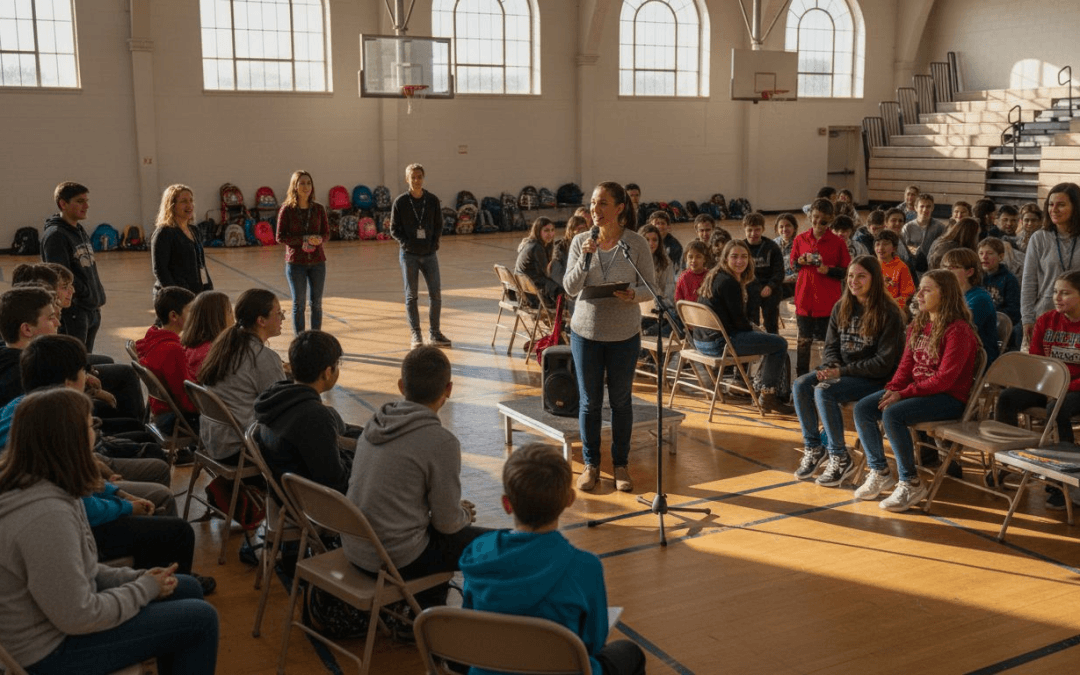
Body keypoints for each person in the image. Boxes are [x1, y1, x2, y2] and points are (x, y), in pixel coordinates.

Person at [0, 388, 219, 675]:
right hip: (48, 652)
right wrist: (143, 589)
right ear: (70, 440)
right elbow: (78, 615)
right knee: (201, 620)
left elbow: (83, 572)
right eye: (90, 425)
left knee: (186, 586)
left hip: (56, 626)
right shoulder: (46, 515)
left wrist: (138, 578)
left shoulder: (46, 485)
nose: (95, 433)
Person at [459, 443, 647, 675]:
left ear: (507, 504)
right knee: (629, 652)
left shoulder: (478, 552)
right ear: (569, 499)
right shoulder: (584, 567)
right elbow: (593, 644)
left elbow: (469, 624)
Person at [343, 346, 488, 607]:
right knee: (503, 545)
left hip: (356, 547)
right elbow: (447, 524)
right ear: (449, 389)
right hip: (396, 558)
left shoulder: (375, 423)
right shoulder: (441, 442)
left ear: (401, 385)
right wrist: (463, 514)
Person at [852, 270, 979, 512]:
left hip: (949, 398)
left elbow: (944, 380)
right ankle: (880, 471)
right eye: (920, 289)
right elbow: (905, 366)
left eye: (926, 290)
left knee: (893, 414)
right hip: (919, 392)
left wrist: (903, 394)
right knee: (864, 408)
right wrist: (892, 389)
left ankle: (910, 482)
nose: (918, 295)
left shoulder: (958, 330)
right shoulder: (918, 324)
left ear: (945, 295)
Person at [563, 181, 654, 492]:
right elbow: (570, 288)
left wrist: (633, 295)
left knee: (621, 401)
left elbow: (651, 288)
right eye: (593, 203)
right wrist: (585, 259)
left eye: (603, 203)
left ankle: (620, 465)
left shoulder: (636, 244)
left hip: (624, 334)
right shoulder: (581, 242)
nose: (595, 209)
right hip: (585, 333)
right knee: (590, 402)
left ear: (619, 208)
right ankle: (591, 465)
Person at [792, 256, 905, 485]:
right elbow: (831, 347)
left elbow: (883, 364)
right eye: (851, 276)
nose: (854, 281)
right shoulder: (841, 306)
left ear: (875, 279)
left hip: (876, 379)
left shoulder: (889, 312)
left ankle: (840, 456)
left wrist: (840, 373)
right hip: (844, 373)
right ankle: (814, 447)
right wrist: (832, 366)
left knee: (824, 390)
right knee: (801, 385)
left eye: (861, 276)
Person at [995, 271, 1080, 508]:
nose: (1057, 298)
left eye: (1065, 293)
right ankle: (1011, 462)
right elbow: (1038, 361)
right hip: (1049, 385)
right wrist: (1047, 385)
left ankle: (1062, 479)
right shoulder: (1046, 320)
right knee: (1007, 398)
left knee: (1057, 409)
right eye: (1055, 292)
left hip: (1074, 388)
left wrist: (1062, 387)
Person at [696, 240, 792, 413]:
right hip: (719, 344)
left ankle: (765, 391)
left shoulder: (715, 275)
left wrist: (754, 330)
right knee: (779, 343)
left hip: (701, 342)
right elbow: (739, 323)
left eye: (744, 256)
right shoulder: (729, 282)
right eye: (734, 256)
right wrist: (756, 330)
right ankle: (768, 396)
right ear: (725, 258)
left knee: (769, 340)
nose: (739, 261)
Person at [254, 330, 355, 494]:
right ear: (327, 372)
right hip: (313, 501)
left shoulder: (276, 398)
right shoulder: (314, 416)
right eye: (337, 364)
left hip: (285, 493)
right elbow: (336, 482)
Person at [197, 288, 285, 462]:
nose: (282, 317)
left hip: (213, 439)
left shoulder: (224, 345)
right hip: (239, 447)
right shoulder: (263, 357)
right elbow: (281, 409)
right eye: (278, 313)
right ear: (261, 321)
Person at [390, 163, 451, 349]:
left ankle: (435, 333)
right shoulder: (400, 202)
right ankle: (416, 333)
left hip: (430, 254)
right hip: (409, 255)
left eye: (419, 177)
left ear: (423, 178)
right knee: (412, 296)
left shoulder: (432, 200)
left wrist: (434, 243)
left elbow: (439, 225)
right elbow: (394, 229)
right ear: (407, 179)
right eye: (413, 177)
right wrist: (406, 243)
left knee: (436, 294)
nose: (416, 180)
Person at [40, 182, 106, 352]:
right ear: (63, 204)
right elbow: (61, 276)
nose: (86, 206)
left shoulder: (79, 230)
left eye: (86, 201)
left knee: (86, 359)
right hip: (75, 312)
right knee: (74, 358)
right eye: (80, 201)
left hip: (91, 308)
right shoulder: (56, 235)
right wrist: (85, 293)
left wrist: (96, 294)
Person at [791, 198, 850, 376]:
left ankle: (827, 378)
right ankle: (801, 378)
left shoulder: (838, 243)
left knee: (829, 343)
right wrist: (800, 261)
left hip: (827, 302)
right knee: (803, 342)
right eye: (815, 217)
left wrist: (828, 270)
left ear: (830, 219)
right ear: (810, 216)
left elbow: (846, 271)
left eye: (823, 219)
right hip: (804, 300)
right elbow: (793, 265)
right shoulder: (800, 239)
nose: (818, 222)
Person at [1022, 183, 1080, 348]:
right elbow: (1029, 282)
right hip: (1044, 316)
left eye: (1061, 205)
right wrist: (1027, 318)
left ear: (1076, 207)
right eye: (1050, 204)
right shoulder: (1039, 238)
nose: (1054, 209)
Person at [135, 286, 199, 430]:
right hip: (172, 418)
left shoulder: (154, 337)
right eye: (191, 311)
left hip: (160, 411)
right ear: (174, 316)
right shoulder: (172, 349)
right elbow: (185, 401)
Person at [276, 170, 330, 334]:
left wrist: (320, 239)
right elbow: (280, 237)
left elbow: (326, 234)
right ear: (295, 186)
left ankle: (316, 338)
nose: (306, 187)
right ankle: (300, 338)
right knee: (299, 303)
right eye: (302, 183)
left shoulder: (319, 209)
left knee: (316, 303)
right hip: (296, 263)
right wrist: (303, 240)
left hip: (317, 263)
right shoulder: (287, 209)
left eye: (308, 183)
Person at [0, 287, 62, 406]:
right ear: (27, 329)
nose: (57, 323)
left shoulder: (7, 353)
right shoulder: (26, 379)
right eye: (51, 318)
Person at [149, 184, 212, 298]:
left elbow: (201, 265)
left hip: (195, 295)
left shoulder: (194, 230)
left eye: (191, 201)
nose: (189, 205)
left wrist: (208, 290)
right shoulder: (164, 232)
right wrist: (177, 296)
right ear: (172, 206)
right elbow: (160, 270)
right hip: (173, 298)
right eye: (184, 201)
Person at [941, 248, 999, 367]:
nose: (946, 271)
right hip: (954, 352)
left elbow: (959, 333)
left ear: (969, 272)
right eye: (944, 267)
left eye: (953, 267)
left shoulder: (980, 299)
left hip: (975, 360)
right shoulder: (949, 295)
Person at [742, 212, 785, 334]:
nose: (753, 234)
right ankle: (753, 340)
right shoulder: (741, 247)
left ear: (763, 229)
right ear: (744, 229)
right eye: (749, 230)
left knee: (771, 321)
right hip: (749, 287)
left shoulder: (772, 247)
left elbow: (779, 272)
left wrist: (770, 286)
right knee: (751, 321)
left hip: (769, 287)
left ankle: (773, 340)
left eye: (757, 230)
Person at [979, 237, 1021, 346]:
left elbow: (1013, 311)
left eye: (990, 253)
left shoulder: (1009, 279)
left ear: (1001, 257)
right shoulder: (976, 278)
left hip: (998, 328)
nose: (984, 257)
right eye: (981, 253)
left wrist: (990, 317)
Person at [180, 290, 234, 375]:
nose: (233, 316)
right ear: (217, 318)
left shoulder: (190, 347)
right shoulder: (212, 353)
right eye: (230, 311)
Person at [514, 217, 562, 307]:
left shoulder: (530, 243)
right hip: (531, 296)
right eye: (546, 230)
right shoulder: (537, 247)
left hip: (523, 293)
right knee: (562, 290)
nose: (550, 234)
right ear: (538, 231)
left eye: (552, 230)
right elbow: (545, 273)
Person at [639, 224, 675, 337]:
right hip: (641, 312)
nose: (651, 243)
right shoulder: (634, 260)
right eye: (647, 240)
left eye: (655, 240)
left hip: (660, 308)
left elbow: (669, 288)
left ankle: (653, 331)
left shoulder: (665, 261)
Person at [902, 193, 945, 269]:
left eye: (928, 206)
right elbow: (902, 248)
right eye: (922, 206)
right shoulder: (908, 227)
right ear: (915, 208)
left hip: (932, 267)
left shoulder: (940, 227)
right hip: (912, 267)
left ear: (932, 208)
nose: (925, 210)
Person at [875, 230, 915, 311]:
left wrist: (887, 304)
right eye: (877, 244)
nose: (880, 248)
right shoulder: (870, 265)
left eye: (885, 244)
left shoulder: (901, 267)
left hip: (892, 309)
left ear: (894, 248)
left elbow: (907, 295)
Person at [549, 215, 588, 289]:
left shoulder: (588, 243)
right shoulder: (560, 247)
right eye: (579, 229)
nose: (582, 232)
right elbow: (563, 270)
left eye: (584, 229)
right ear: (571, 230)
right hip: (568, 284)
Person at [649, 210, 682, 275]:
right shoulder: (644, 241)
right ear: (650, 225)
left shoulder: (675, 246)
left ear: (668, 226)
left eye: (662, 223)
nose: (659, 226)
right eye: (657, 223)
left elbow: (675, 270)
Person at [774, 212, 799, 299]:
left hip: (794, 283)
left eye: (788, 226)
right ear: (777, 229)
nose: (784, 229)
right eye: (781, 226)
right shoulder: (772, 244)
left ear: (794, 228)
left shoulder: (800, 243)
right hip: (777, 282)